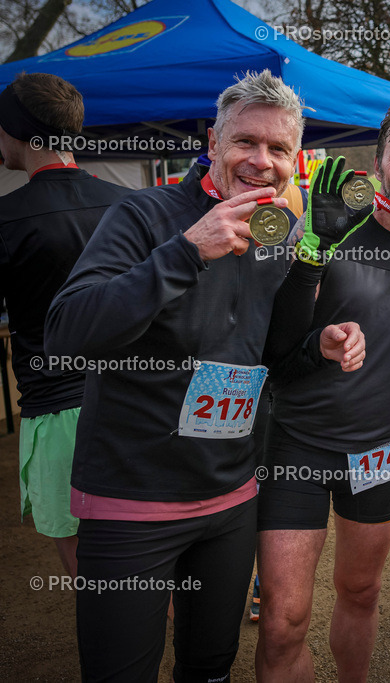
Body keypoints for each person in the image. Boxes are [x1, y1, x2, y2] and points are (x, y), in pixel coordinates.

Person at [45, 70, 365, 682]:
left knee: (210, 668)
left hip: (230, 500)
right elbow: (67, 332)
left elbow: (274, 357)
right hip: (132, 500)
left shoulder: (280, 236)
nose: (260, 160)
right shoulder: (144, 214)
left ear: (294, 160)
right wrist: (187, 250)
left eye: (278, 149)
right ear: (214, 141)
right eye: (246, 141)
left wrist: (319, 344)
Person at [255, 100, 390, 682]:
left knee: (361, 590)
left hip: (377, 449)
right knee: (283, 619)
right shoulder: (329, 229)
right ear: (379, 164)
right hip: (299, 442)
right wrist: (313, 256)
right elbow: (277, 354)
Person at [0, 73, 129, 577]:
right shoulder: (129, 204)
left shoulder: (7, 218)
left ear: (16, 132)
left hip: (57, 412)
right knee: (144, 554)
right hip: (136, 403)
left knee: (89, 573)